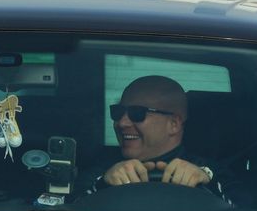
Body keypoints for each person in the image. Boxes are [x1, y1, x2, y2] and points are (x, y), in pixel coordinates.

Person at [91, 75, 223, 194]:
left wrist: (208, 184)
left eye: (137, 113)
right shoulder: (100, 166)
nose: (122, 123)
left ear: (173, 124)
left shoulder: (214, 173)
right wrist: (102, 184)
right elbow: (73, 207)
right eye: (117, 112)